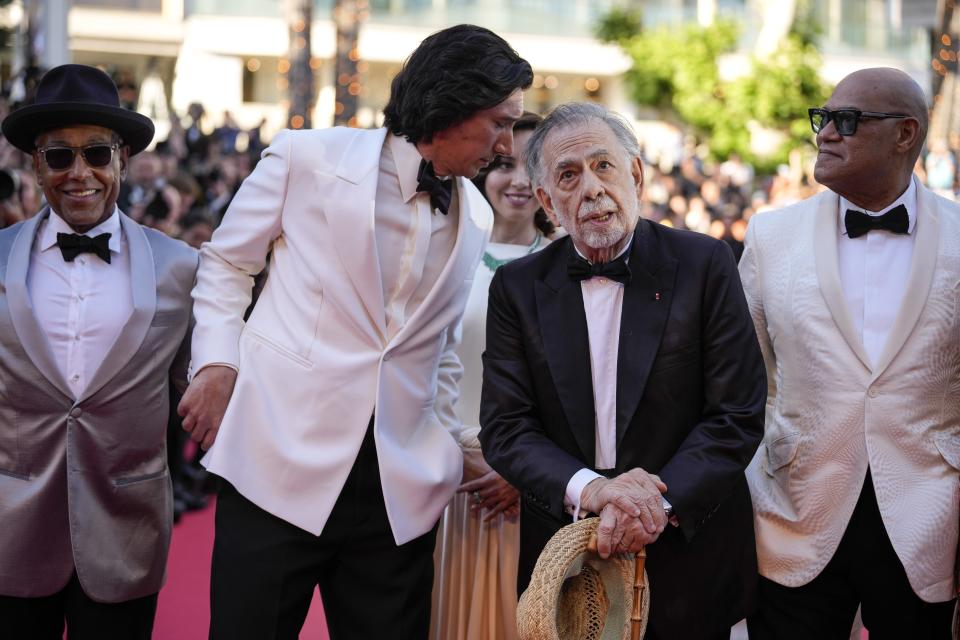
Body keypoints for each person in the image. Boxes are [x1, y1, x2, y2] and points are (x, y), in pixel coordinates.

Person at [177, 24, 532, 640]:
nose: (507, 146)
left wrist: (451, 445)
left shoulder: (474, 212)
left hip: (397, 496)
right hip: (275, 465)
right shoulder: (306, 157)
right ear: (452, 103)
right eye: (500, 123)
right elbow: (227, 265)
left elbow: (438, 350)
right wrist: (216, 364)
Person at [479, 102, 767, 640]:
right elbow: (507, 427)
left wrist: (652, 504)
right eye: (568, 175)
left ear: (635, 173)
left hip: (689, 553)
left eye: (603, 166)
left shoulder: (705, 264)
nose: (591, 188)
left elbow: (737, 413)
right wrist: (593, 492)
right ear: (546, 200)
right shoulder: (516, 288)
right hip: (569, 563)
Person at [740, 67, 959, 639]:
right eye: (824, 118)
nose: (825, 134)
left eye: (847, 120)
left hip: (929, 516)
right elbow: (744, 379)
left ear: (905, 133)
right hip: (794, 510)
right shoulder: (770, 236)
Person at [0, 64, 197, 639]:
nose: (79, 173)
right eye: (59, 157)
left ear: (123, 159)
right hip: (11, 530)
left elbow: (204, 387)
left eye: (97, 154)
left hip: (126, 534)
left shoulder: (180, 267)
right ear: (35, 164)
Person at [430, 111, 552, 640]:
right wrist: (453, 453)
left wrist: (527, 471)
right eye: (504, 165)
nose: (519, 181)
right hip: (447, 474)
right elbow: (423, 364)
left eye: (534, 167)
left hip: (529, 483)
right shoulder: (444, 255)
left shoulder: (567, 266)